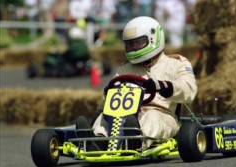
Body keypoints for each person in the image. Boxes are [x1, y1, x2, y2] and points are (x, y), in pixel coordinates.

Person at [77, 16, 197, 151]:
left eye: (137, 43)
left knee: (152, 117)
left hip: (161, 113)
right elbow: (112, 98)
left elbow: (189, 90)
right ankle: (97, 141)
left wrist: (164, 86)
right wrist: (108, 96)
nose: (132, 48)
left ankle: (137, 140)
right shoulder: (125, 68)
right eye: (129, 44)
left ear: (153, 39)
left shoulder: (176, 63)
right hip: (125, 115)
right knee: (104, 118)